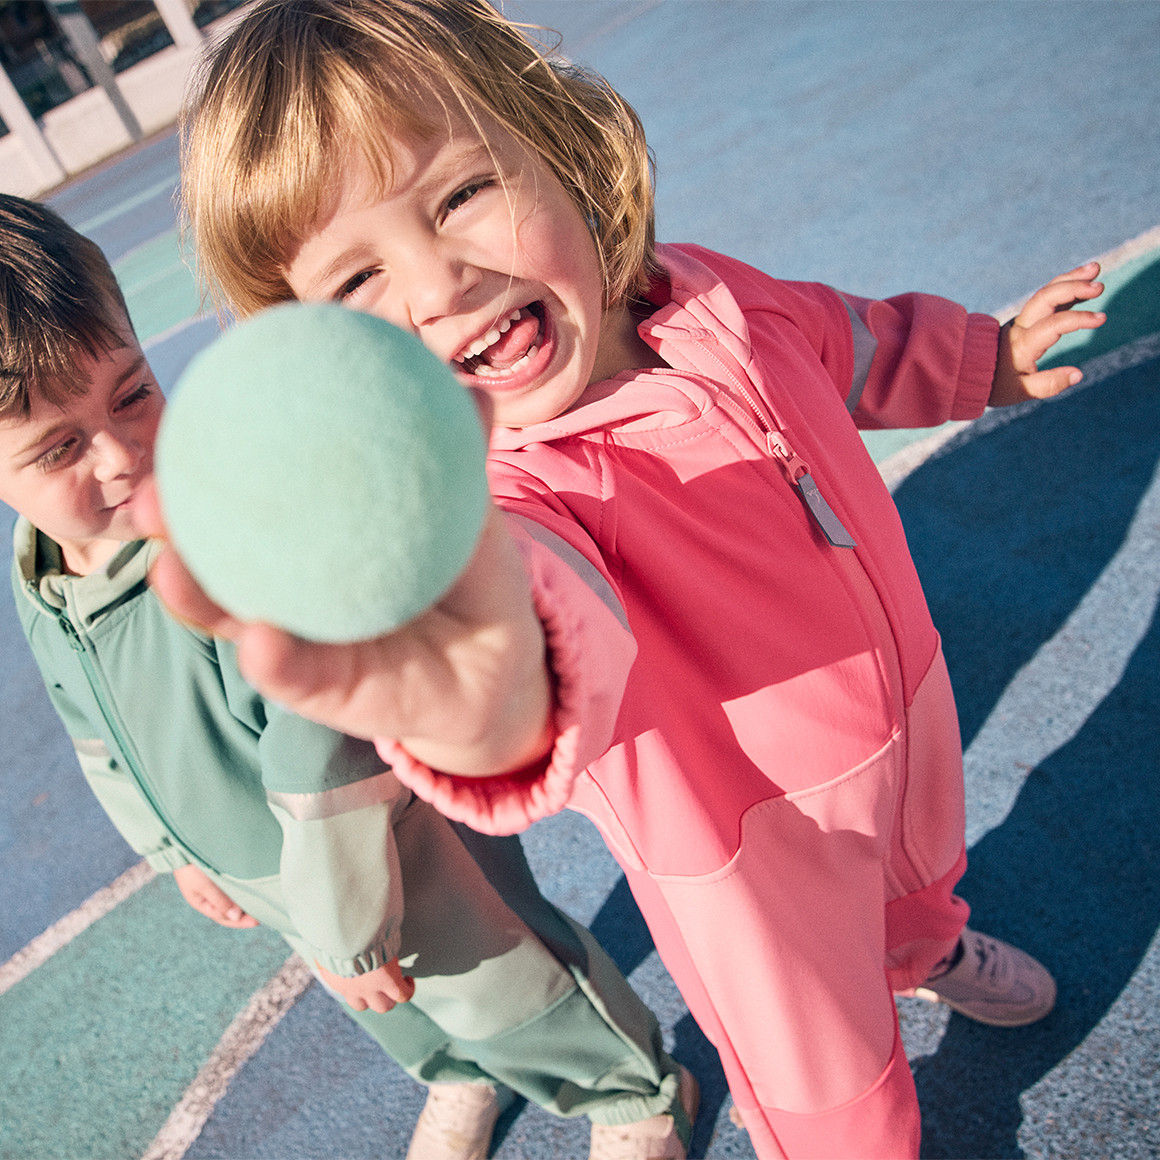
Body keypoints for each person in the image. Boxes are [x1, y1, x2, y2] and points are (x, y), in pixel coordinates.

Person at [166, 2, 1108, 1157]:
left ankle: (920, 945)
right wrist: (467, 667)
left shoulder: (707, 294)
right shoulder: (514, 503)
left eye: (462, 193)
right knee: (825, 1087)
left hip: (903, 709)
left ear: (557, 146)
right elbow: (542, 633)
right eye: (357, 276)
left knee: (918, 870)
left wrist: (979, 360)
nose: (439, 279)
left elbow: (846, 342)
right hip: (739, 864)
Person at [0, 192, 701, 1160]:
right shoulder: (42, 575)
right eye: (58, 446)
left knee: (505, 976)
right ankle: (462, 1076)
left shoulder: (213, 537)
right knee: (396, 1011)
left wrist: (348, 918)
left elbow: (315, 743)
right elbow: (95, 732)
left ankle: (632, 1090)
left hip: (385, 847)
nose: (120, 456)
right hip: (282, 876)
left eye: (131, 393)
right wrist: (174, 854)